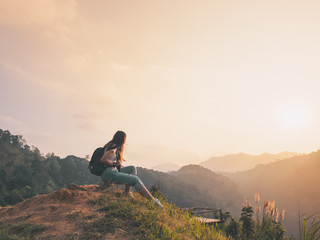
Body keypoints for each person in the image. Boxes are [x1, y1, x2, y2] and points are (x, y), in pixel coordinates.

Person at [100, 130, 163, 208]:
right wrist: (114, 164)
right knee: (135, 180)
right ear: (122, 140)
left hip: (111, 171)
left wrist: (118, 161)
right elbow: (103, 160)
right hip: (109, 174)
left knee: (132, 168)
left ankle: (127, 193)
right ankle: (154, 202)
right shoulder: (113, 148)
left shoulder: (111, 146)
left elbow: (115, 161)